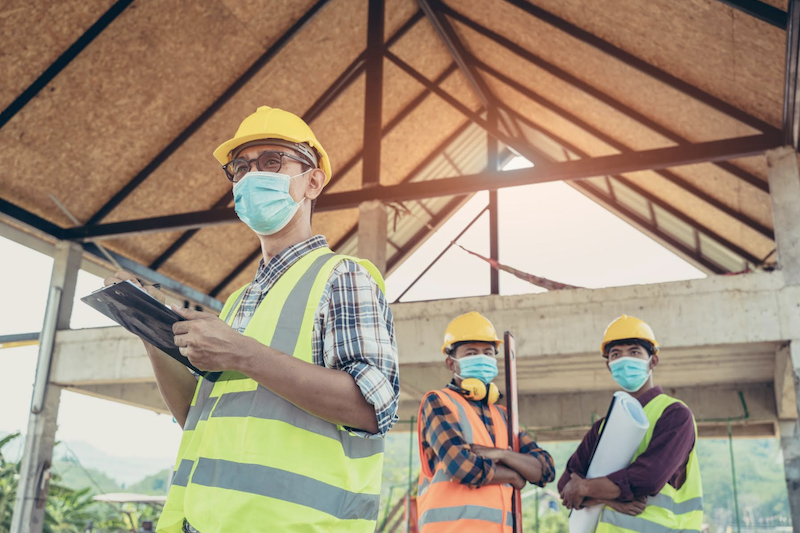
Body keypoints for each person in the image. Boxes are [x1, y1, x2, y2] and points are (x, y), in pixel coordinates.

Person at [103, 106, 399, 533]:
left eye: (272, 161)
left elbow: (374, 408)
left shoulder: (342, 278)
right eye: (240, 167)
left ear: (313, 181)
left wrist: (243, 354)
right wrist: (150, 331)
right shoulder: (240, 302)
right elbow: (197, 417)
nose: (251, 176)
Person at [559, 315, 703, 533]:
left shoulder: (674, 415)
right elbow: (566, 486)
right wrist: (608, 499)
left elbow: (648, 478)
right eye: (616, 354)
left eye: (634, 351)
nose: (624, 359)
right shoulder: (601, 427)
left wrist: (587, 487)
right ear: (609, 366)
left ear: (653, 360)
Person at [416, 311, 555, 532]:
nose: (482, 358)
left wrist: (502, 454)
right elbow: (462, 467)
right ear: (451, 364)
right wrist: (513, 474)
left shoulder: (503, 415)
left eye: (488, 352)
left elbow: (545, 469)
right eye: (471, 352)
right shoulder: (439, 402)